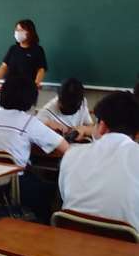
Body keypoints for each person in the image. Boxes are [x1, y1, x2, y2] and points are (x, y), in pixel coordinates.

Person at [0, 75, 68, 222]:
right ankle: (43, 228)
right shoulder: (28, 122)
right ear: (30, 99)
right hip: (13, 184)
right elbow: (65, 147)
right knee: (50, 189)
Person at [59, 91, 139, 230]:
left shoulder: (72, 154)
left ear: (102, 126)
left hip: (71, 237)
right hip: (125, 242)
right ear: (137, 134)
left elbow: (65, 196)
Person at [0, 19, 47, 88]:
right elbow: (3, 67)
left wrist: (36, 83)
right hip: (9, 86)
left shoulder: (37, 50)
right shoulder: (13, 49)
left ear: (30, 32)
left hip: (27, 88)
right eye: (17, 30)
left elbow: (41, 70)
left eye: (21, 30)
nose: (18, 32)